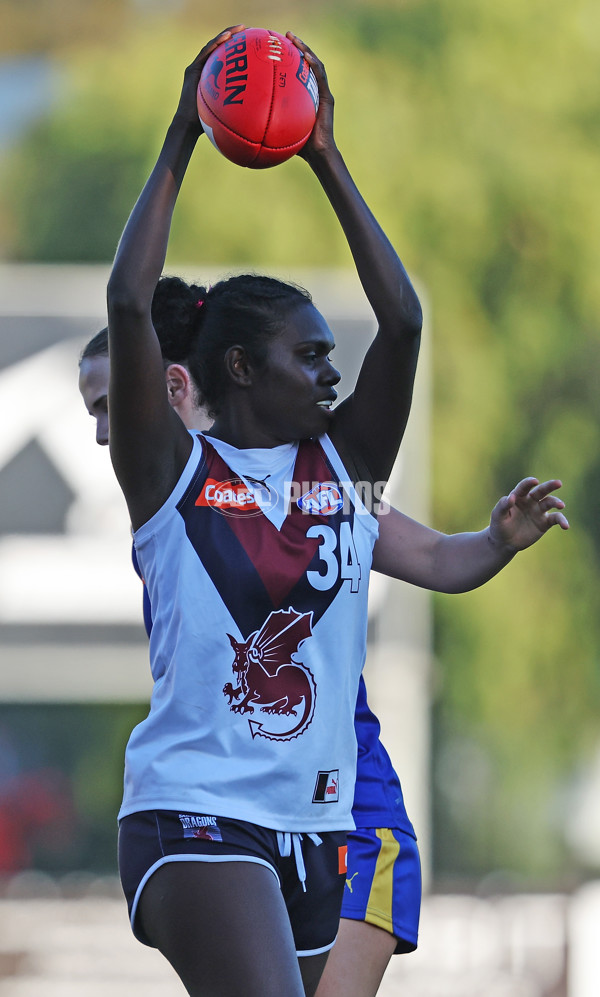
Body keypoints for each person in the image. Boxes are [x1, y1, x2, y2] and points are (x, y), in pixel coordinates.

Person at [79, 324, 568, 997]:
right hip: (241, 811)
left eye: (111, 403)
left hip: (349, 807)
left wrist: (493, 540)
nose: (106, 433)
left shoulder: (315, 480)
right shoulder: (168, 500)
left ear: (175, 385)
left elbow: (429, 554)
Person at [102, 22, 423, 997]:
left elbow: (403, 322)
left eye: (332, 355)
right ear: (239, 368)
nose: (331, 371)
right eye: (309, 355)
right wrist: (181, 133)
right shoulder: (171, 472)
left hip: (317, 826)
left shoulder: (348, 465)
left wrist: (327, 154)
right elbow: (128, 301)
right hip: (193, 816)